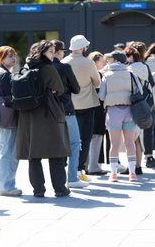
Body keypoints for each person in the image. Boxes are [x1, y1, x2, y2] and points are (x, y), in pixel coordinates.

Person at [17, 40, 70, 197]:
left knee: (34, 155)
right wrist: (52, 91)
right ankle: (60, 189)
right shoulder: (48, 68)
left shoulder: (25, 67)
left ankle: (38, 190)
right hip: (48, 114)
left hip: (28, 115)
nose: (53, 55)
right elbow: (59, 89)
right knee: (56, 154)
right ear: (42, 52)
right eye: (50, 51)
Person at [62, 35, 101, 182]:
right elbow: (97, 82)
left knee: (70, 138)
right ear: (84, 47)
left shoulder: (64, 61)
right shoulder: (88, 62)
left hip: (68, 105)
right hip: (87, 104)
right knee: (85, 138)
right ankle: (79, 169)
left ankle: (69, 168)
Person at [99, 50, 142, 182]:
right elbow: (139, 91)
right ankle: (132, 173)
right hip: (129, 111)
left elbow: (101, 96)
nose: (108, 61)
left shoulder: (107, 75)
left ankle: (113, 174)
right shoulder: (131, 74)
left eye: (110, 59)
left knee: (115, 144)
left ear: (115, 60)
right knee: (130, 143)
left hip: (113, 112)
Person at [51, 40, 88, 188]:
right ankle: (72, 178)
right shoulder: (64, 68)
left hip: (48, 112)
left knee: (56, 145)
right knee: (74, 143)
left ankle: (57, 182)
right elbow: (76, 89)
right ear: (58, 51)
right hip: (66, 109)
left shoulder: (43, 68)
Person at [0, 46, 22, 196]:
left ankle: (0, 184)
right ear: (1, 58)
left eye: (14, 55)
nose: (13, 58)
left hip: (1, 118)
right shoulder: (5, 75)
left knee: (2, 150)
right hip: (8, 118)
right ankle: (6, 186)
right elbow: (8, 99)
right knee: (9, 151)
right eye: (10, 56)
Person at [129, 41, 155, 169]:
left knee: (132, 133)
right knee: (148, 129)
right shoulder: (144, 66)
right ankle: (148, 156)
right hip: (145, 102)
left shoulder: (127, 66)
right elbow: (152, 83)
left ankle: (133, 163)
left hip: (131, 101)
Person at [125, 46, 150, 174]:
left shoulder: (129, 70)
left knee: (131, 137)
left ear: (130, 56)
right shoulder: (145, 67)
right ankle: (138, 166)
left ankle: (133, 166)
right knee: (138, 137)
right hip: (142, 103)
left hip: (132, 103)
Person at [87, 51, 108, 176]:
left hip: (88, 107)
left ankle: (86, 165)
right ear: (95, 61)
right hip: (98, 108)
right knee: (96, 136)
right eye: (101, 60)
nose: (103, 63)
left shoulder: (87, 73)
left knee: (88, 137)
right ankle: (94, 167)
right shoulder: (97, 75)